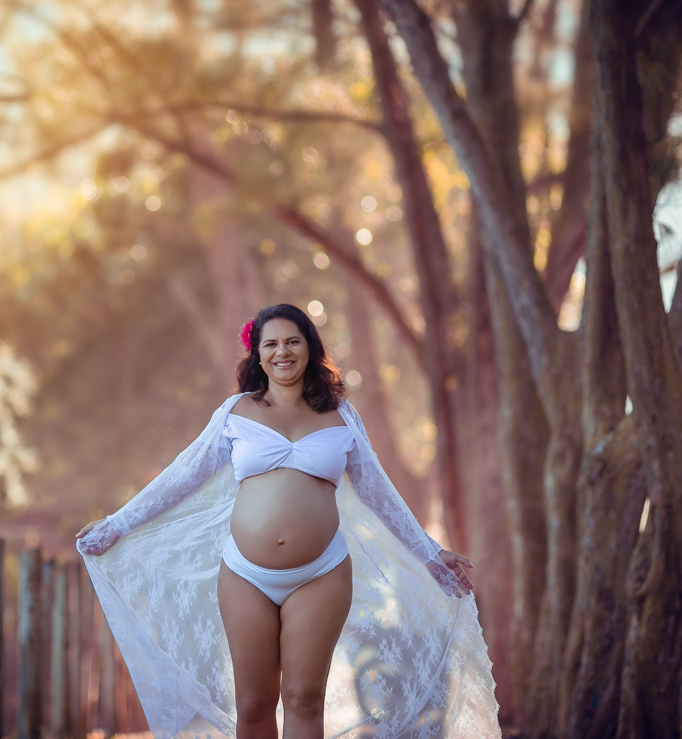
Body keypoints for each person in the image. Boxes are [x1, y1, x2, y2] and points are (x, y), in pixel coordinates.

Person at [77, 304, 500, 739]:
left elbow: (379, 491)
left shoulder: (340, 414)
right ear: (258, 355)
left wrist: (431, 554)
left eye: (292, 341)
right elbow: (182, 476)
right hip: (245, 574)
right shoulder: (236, 411)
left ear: (310, 348)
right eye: (271, 344)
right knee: (255, 703)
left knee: (302, 698)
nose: (283, 351)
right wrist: (117, 524)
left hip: (321, 574)